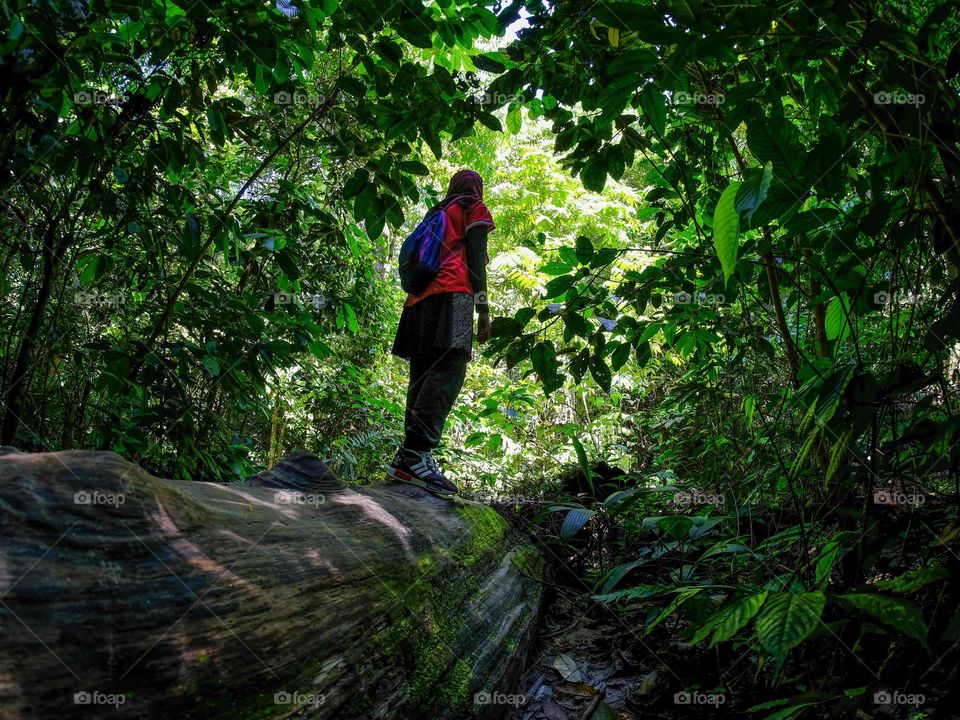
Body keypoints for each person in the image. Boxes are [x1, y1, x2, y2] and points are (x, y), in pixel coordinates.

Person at [388, 169, 495, 495]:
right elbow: (475, 259)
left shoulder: (437, 213)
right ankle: (417, 453)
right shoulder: (472, 208)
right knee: (450, 371)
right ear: (476, 189)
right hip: (456, 299)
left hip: (417, 304)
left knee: (422, 375)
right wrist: (483, 309)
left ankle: (408, 460)